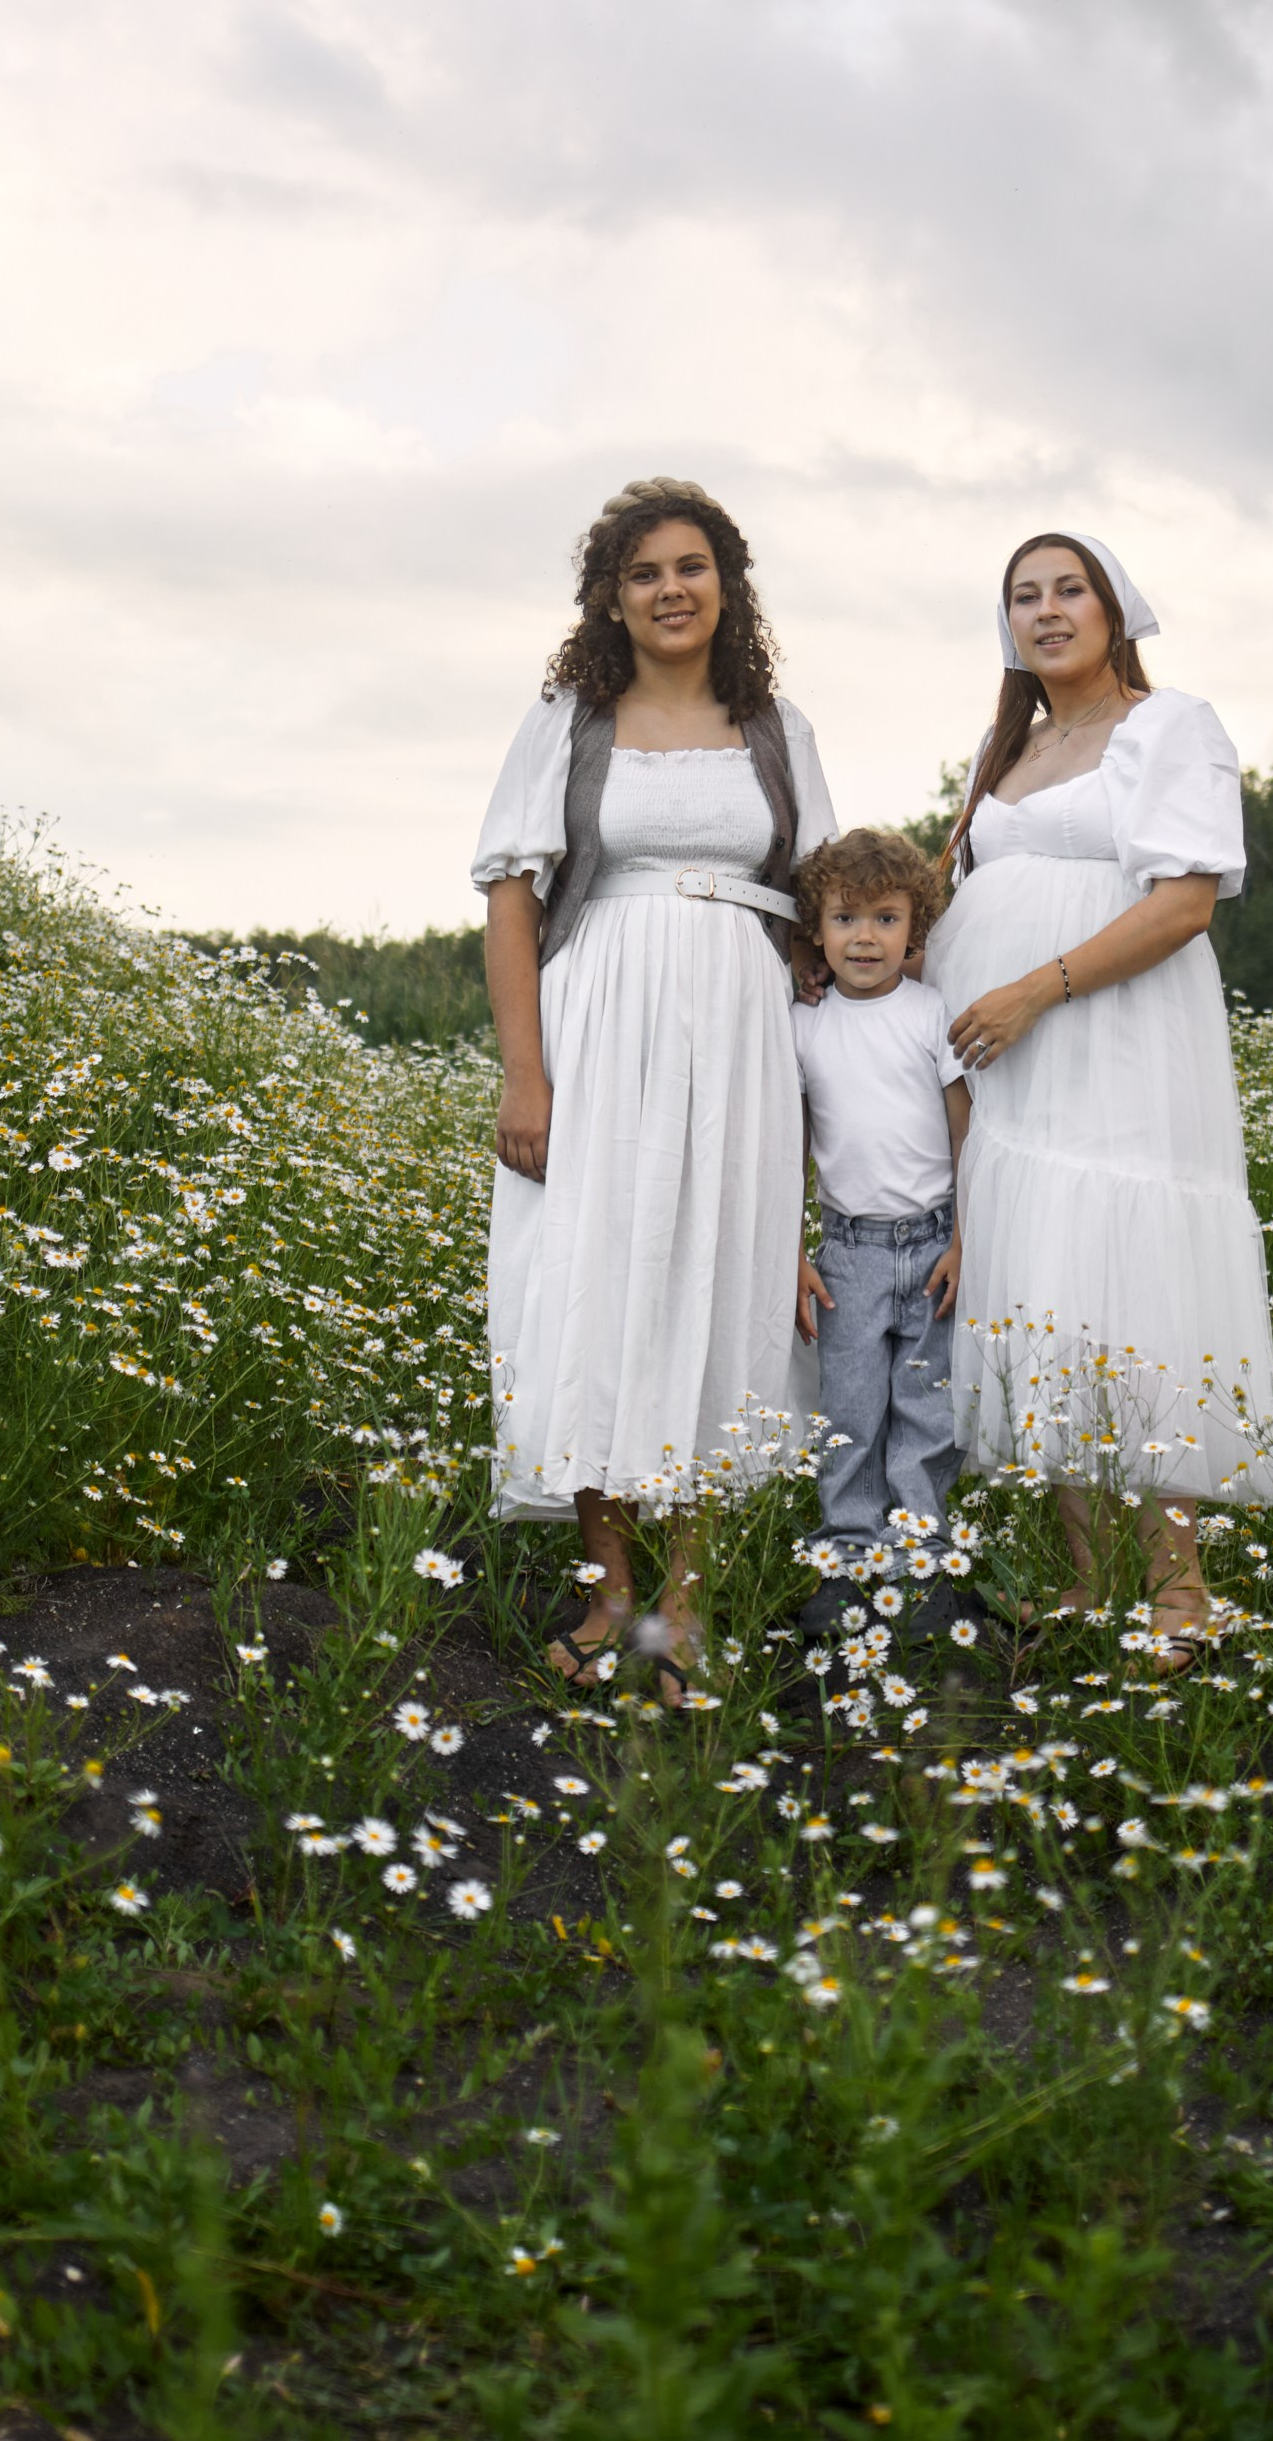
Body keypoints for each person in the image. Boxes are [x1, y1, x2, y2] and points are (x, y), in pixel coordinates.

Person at [472, 478, 836, 1697]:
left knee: (715, 1289)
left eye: (690, 567)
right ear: (610, 599)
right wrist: (526, 1075)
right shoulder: (567, 723)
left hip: (740, 1037)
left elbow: (823, 907)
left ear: (725, 584)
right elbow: (511, 903)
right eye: (643, 573)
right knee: (594, 1286)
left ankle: (683, 1609)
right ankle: (608, 1596)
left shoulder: (775, 728)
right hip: (596, 1026)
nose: (669, 590)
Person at [921, 531, 1273, 1660]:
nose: (1045, 611)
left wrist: (1039, 987)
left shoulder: (1168, 725)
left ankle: (1178, 1591)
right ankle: (1089, 1578)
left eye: (1068, 589)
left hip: (1113, 1036)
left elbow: (1184, 902)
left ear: (1113, 608)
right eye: (1023, 596)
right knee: (1046, 1277)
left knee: (1133, 1281)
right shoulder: (1010, 748)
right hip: (1011, 1063)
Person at [789, 828, 972, 1642]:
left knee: (927, 1410)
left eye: (886, 919)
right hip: (849, 1252)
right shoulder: (804, 1025)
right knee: (851, 1410)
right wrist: (791, 1250)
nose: (865, 937)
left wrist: (966, 1238)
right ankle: (847, 1556)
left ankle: (919, 1560)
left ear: (915, 929)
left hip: (932, 1243)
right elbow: (791, 1146)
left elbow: (964, 1132)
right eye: (846, 918)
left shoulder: (932, 1014)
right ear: (817, 930)